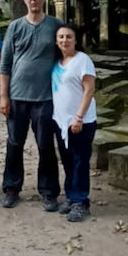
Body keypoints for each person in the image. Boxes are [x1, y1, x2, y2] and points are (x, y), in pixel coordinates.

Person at [0, 0, 63, 210]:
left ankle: (48, 191)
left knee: (45, 144)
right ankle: (11, 187)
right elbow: (5, 64)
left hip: (45, 97)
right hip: (17, 96)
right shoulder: (15, 27)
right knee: (14, 143)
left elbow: (66, 58)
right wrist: (3, 96)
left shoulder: (55, 26)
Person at [51, 23, 97, 222]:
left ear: (75, 40)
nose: (64, 40)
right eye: (61, 37)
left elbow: (89, 90)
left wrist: (78, 117)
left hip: (81, 121)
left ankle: (81, 201)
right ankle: (71, 196)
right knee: (68, 160)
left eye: (68, 37)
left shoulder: (82, 60)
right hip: (61, 122)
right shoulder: (57, 62)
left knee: (80, 160)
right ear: (56, 41)